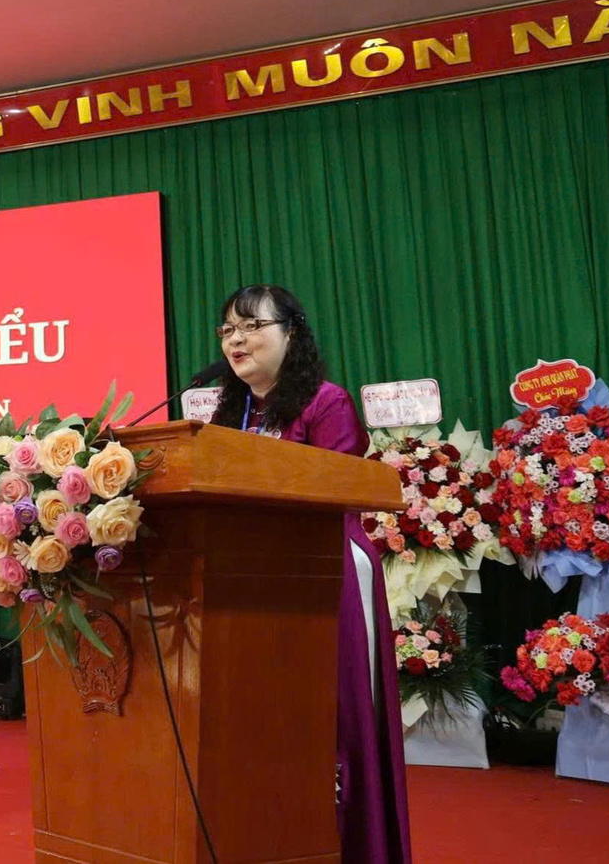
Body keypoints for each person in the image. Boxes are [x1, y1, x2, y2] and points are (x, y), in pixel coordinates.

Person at [208, 284, 411, 864]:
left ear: (291, 333)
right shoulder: (229, 413)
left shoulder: (326, 402)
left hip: (327, 571)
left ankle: (347, 842)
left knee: (333, 718)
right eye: (228, 330)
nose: (236, 340)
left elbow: (331, 489)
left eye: (251, 327)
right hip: (245, 572)